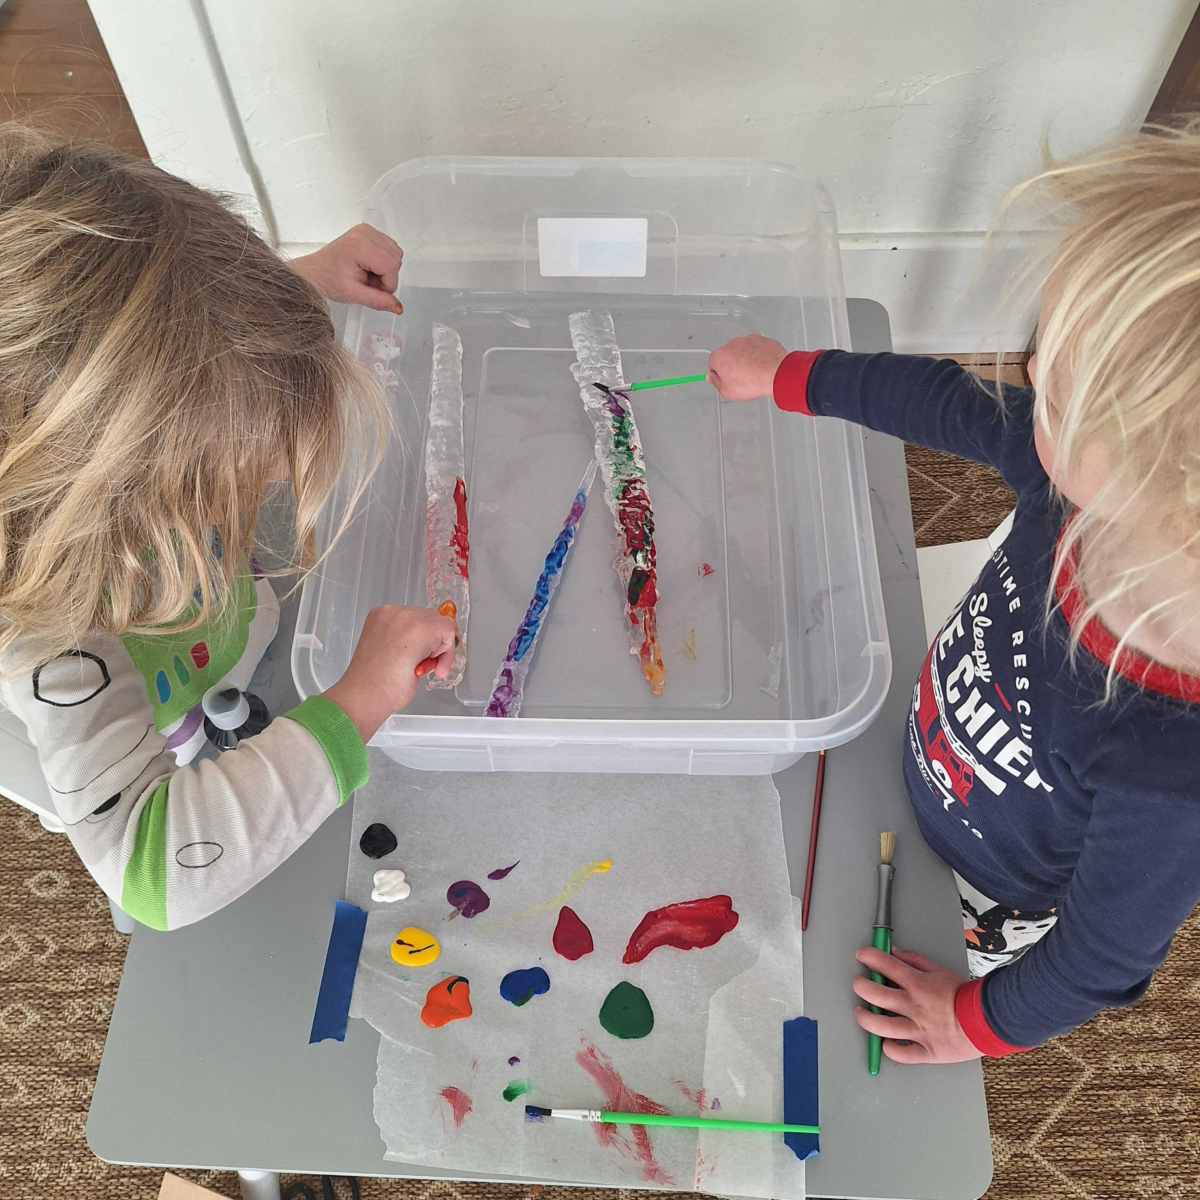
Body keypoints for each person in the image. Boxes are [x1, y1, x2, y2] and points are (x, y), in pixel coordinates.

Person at [708, 122, 1200, 1062]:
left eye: (1056, 391)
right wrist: (791, 376)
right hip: (932, 747)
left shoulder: (1172, 773)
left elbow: (1100, 956)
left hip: (993, 892)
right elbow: (947, 401)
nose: (1023, 384)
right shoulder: (1075, 486)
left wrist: (970, 1024)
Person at [0, 125, 456, 930]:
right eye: (235, 476)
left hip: (224, 646)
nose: (275, 477)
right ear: (105, 484)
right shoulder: (58, 637)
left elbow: (165, 345)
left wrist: (288, 291)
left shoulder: (103, 411)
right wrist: (355, 703)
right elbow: (151, 874)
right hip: (160, 735)